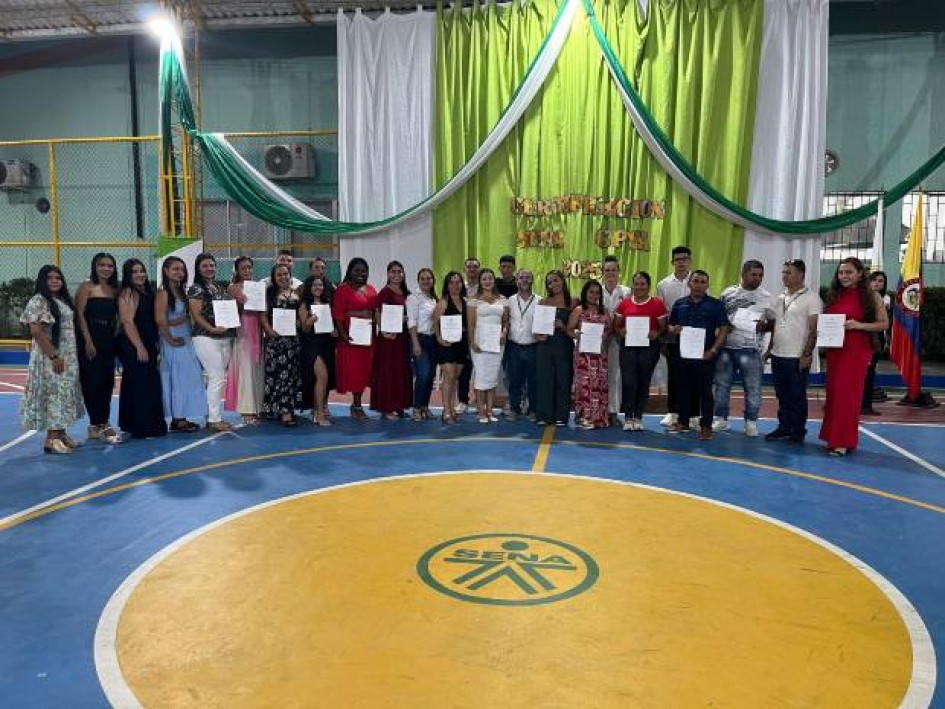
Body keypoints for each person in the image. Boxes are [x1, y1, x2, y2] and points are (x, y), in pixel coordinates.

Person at [819, 257, 889, 456]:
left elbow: (884, 323)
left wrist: (859, 325)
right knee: (834, 394)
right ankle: (833, 437)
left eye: (849, 272)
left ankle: (842, 441)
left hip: (857, 350)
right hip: (835, 350)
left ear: (859, 274)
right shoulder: (835, 294)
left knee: (847, 395)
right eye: (841, 272)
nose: (844, 276)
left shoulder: (872, 296)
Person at [19, 265, 84, 454]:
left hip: (67, 356)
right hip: (50, 357)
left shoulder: (61, 300)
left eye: (58, 277)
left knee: (63, 394)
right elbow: (36, 331)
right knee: (54, 394)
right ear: (42, 280)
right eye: (50, 278)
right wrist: (53, 356)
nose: (55, 281)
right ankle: (52, 438)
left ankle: (61, 434)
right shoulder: (39, 300)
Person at [711, 260, 774, 437]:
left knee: (753, 388)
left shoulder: (767, 297)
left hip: (751, 349)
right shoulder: (727, 293)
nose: (757, 278)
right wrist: (724, 327)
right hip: (726, 348)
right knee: (721, 386)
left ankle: (751, 422)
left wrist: (763, 326)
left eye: (760, 275)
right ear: (743, 274)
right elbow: (718, 318)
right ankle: (721, 419)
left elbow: (773, 324)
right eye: (753, 274)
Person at [666, 270, 730, 439]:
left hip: (705, 355)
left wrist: (713, 350)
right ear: (689, 283)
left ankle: (706, 426)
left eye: (703, 282)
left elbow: (724, 328)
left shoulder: (716, 305)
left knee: (705, 392)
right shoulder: (679, 304)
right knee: (682, 389)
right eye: (695, 281)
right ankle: (683, 421)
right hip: (682, 355)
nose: (698, 285)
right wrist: (674, 329)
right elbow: (670, 326)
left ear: (707, 285)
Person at [764, 259, 821, 444]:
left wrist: (807, 354)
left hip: (796, 356)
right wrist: (770, 349)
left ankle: (798, 431)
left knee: (797, 395)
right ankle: (784, 427)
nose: (784, 276)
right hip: (778, 354)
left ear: (801, 275)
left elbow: (814, 329)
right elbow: (776, 326)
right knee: (782, 394)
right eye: (783, 273)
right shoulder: (780, 297)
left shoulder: (812, 298)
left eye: (789, 273)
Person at [117, 259, 167, 439]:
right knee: (140, 385)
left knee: (147, 384)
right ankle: (141, 427)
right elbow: (127, 321)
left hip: (147, 343)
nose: (140, 274)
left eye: (142, 270)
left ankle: (141, 424)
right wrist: (139, 347)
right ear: (128, 275)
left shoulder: (146, 291)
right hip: (135, 344)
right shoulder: (128, 292)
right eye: (135, 272)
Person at [75, 252, 121, 444]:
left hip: (107, 339)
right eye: (102, 265)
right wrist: (87, 340)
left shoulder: (114, 289)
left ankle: (95, 426)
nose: (106, 268)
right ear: (95, 266)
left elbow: (117, 317)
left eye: (109, 265)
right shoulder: (86, 286)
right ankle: (102, 423)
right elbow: (79, 314)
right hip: (90, 338)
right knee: (92, 382)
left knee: (107, 382)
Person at [156, 256, 206, 433]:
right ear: (166, 271)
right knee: (177, 379)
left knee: (186, 378)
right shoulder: (163, 292)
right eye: (175, 269)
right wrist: (170, 339)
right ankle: (178, 419)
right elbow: (159, 320)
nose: (180, 272)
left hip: (185, 339)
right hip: (174, 341)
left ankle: (181, 416)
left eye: (182, 269)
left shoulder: (181, 291)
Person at [187, 253, 236, 432]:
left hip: (224, 337)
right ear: (198, 269)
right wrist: (212, 329)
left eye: (212, 265)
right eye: (205, 266)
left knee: (214, 377)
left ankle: (210, 415)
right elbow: (196, 315)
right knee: (217, 377)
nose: (209, 269)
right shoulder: (196, 289)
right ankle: (214, 420)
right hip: (205, 337)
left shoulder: (219, 287)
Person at [613, 271, 666, 431]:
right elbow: (616, 325)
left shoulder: (657, 304)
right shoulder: (624, 304)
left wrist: (656, 333)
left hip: (649, 349)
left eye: (643, 284)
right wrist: (620, 331)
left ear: (648, 286)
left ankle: (638, 417)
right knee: (629, 382)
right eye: (636, 284)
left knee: (643, 382)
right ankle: (628, 417)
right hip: (628, 347)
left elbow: (663, 327)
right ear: (632, 286)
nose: (639, 287)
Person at [332, 257, 377, 421]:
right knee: (354, 372)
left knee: (365, 372)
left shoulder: (371, 289)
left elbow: (376, 311)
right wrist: (343, 334)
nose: (360, 274)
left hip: (367, 338)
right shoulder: (343, 289)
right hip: (350, 338)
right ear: (350, 271)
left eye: (363, 271)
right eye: (357, 270)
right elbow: (337, 313)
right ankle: (356, 405)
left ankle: (357, 404)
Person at [260, 264, 302, 426]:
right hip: (275, 341)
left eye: (285, 274)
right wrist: (269, 330)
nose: (283, 277)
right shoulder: (269, 294)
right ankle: (277, 410)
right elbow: (263, 316)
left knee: (290, 376)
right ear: (274, 277)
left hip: (293, 343)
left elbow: (302, 316)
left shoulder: (297, 294)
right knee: (276, 376)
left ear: (290, 275)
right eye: (279, 275)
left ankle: (286, 409)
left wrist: (299, 323)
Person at [225, 256, 265, 424]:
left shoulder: (258, 286)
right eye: (243, 268)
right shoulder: (232, 287)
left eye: (249, 267)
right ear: (237, 270)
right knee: (245, 370)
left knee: (257, 369)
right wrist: (241, 302)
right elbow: (231, 310)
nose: (247, 270)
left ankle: (257, 406)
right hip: (243, 331)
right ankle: (246, 410)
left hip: (259, 330)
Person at [567, 279, 611, 429]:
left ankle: (599, 417)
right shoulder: (578, 310)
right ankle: (583, 417)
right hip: (583, 356)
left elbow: (609, 329)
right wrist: (576, 334)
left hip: (600, 355)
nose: (594, 295)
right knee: (584, 386)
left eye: (597, 293)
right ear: (585, 293)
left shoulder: (604, 311)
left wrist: (605, 335)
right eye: (591, 292)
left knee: (600, 385)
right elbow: (569, 330)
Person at [372, 260, 413, 420]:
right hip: (388, 339)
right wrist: (384, 331)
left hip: (402, 338)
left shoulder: (407, 293)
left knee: (401, 372)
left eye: (399, 271)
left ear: (403, 274)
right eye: (393, 271)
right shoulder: (384, 293)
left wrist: (406, 319)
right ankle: (386, 408)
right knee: (388, 372)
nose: (397, 274)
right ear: (388, 274)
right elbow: (378, 313)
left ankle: (399, 406)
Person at [656, 245, 692, 427]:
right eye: (678, 259)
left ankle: (692, 414)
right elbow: (661, 313)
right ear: (672, 262)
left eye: (684, 259)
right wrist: (667, 332)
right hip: (672, 336)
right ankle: (672, 412)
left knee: (692, 375)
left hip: (693, 338)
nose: (681, 262)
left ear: (690, 261)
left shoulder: (697, 281)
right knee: (674, 375)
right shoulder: (663, 285)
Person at [468, 268, 510, 423]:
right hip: (479, 342)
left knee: (492, 376)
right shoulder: (473, 300)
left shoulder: (503, 299)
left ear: (494, 280)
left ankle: (490, 410)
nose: (487, 281)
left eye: (490, 278)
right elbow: (471, 324)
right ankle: (481, 411)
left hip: (496, 343)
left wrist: (504, 333)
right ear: (480, 281)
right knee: (481, 376)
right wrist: (472, 342)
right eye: (484, 278)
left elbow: (506, 321)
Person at [535, 270, 574, 426]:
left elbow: (576, 328)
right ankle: (544, 415)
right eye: (550, 282)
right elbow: (537, 329)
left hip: (564, 345)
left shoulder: (573, 303)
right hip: (545, 346)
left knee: (563, 380)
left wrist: (563, 326)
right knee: (545, 379)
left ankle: (561, 416)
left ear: (563, 281)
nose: (553, 284)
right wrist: (539, 336)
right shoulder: (542, 302)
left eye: (556, 280)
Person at [299, 275, 337, 426]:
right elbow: (304, 328)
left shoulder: (327, 303)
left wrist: (334, 332)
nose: (318, 288)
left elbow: (331, 326)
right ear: (309, 287)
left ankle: (315, 411)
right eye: (315, 285)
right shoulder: (304, 305)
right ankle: (319, 414)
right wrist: (310, 320)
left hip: (326, 343)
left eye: (320, 285)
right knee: (322, 377)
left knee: (323, 379)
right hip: (312, 344)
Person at [433, 271, 469, 424]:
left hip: (462, 345)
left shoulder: (466, 302)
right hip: (446, 345)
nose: (455, 285)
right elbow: (435, 323)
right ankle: (447, 411)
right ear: (447, 285)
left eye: (458, 282)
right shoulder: (443, 302)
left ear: (462, 284)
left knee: (455, 378)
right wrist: (439, 338)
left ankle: (451, 408)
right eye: (452, 282)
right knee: (449, 375)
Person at [505, 268, 538, 422]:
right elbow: (505, 322)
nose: (525, 280)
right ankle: (514, 409)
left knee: (533, 381)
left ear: (532, 280)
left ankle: (533, 410)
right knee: (514, 381)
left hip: (533, 346)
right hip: (514, 346)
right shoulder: (509, 301)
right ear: (517, 280)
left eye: (528, 277)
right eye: (521, 277)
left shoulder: (540, 301)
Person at [601, 256, 630, 426]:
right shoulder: (595, 291)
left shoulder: (626, 292)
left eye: (614, 270)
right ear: (602, 272)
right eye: (607, 270)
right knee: (597, 374)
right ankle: (596, 410)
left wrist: (622, 329)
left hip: (618, 339)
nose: (610, 273)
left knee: (615, 375)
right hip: (598, 339)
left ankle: (613, 412)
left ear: (619, 272)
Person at [407, 268, 438, 421]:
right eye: (423, 278)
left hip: (433, 341)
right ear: (418, 281)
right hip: (419, 340)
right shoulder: (413, 298)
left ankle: (425, 406)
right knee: (423, 374)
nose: (426, 281)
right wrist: (415, 344)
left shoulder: (434, 299)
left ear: (433, 280)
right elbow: (411, 322)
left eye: (429, 278)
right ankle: (417, 407)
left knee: (431, 376)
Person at [861, 270, 890, 415]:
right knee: (863, 373)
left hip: (877, 338)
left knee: (869, 372)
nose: (877, 283)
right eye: (874, 280)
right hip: (864, 336)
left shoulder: (885, 299)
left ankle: (866, 405)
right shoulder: (863, 297)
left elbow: (882, 321)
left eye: (880, 281)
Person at [457, 256, 481, 414]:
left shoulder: (485, 288)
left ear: (479, 269)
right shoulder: (459, 288)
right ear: (464, 269)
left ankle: (481, 400)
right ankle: (463, 400)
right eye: (469, 266)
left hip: (482, 333)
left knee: (482, 369)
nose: (472, 269)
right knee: (464, 369)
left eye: (475, 267)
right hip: (463, 334)